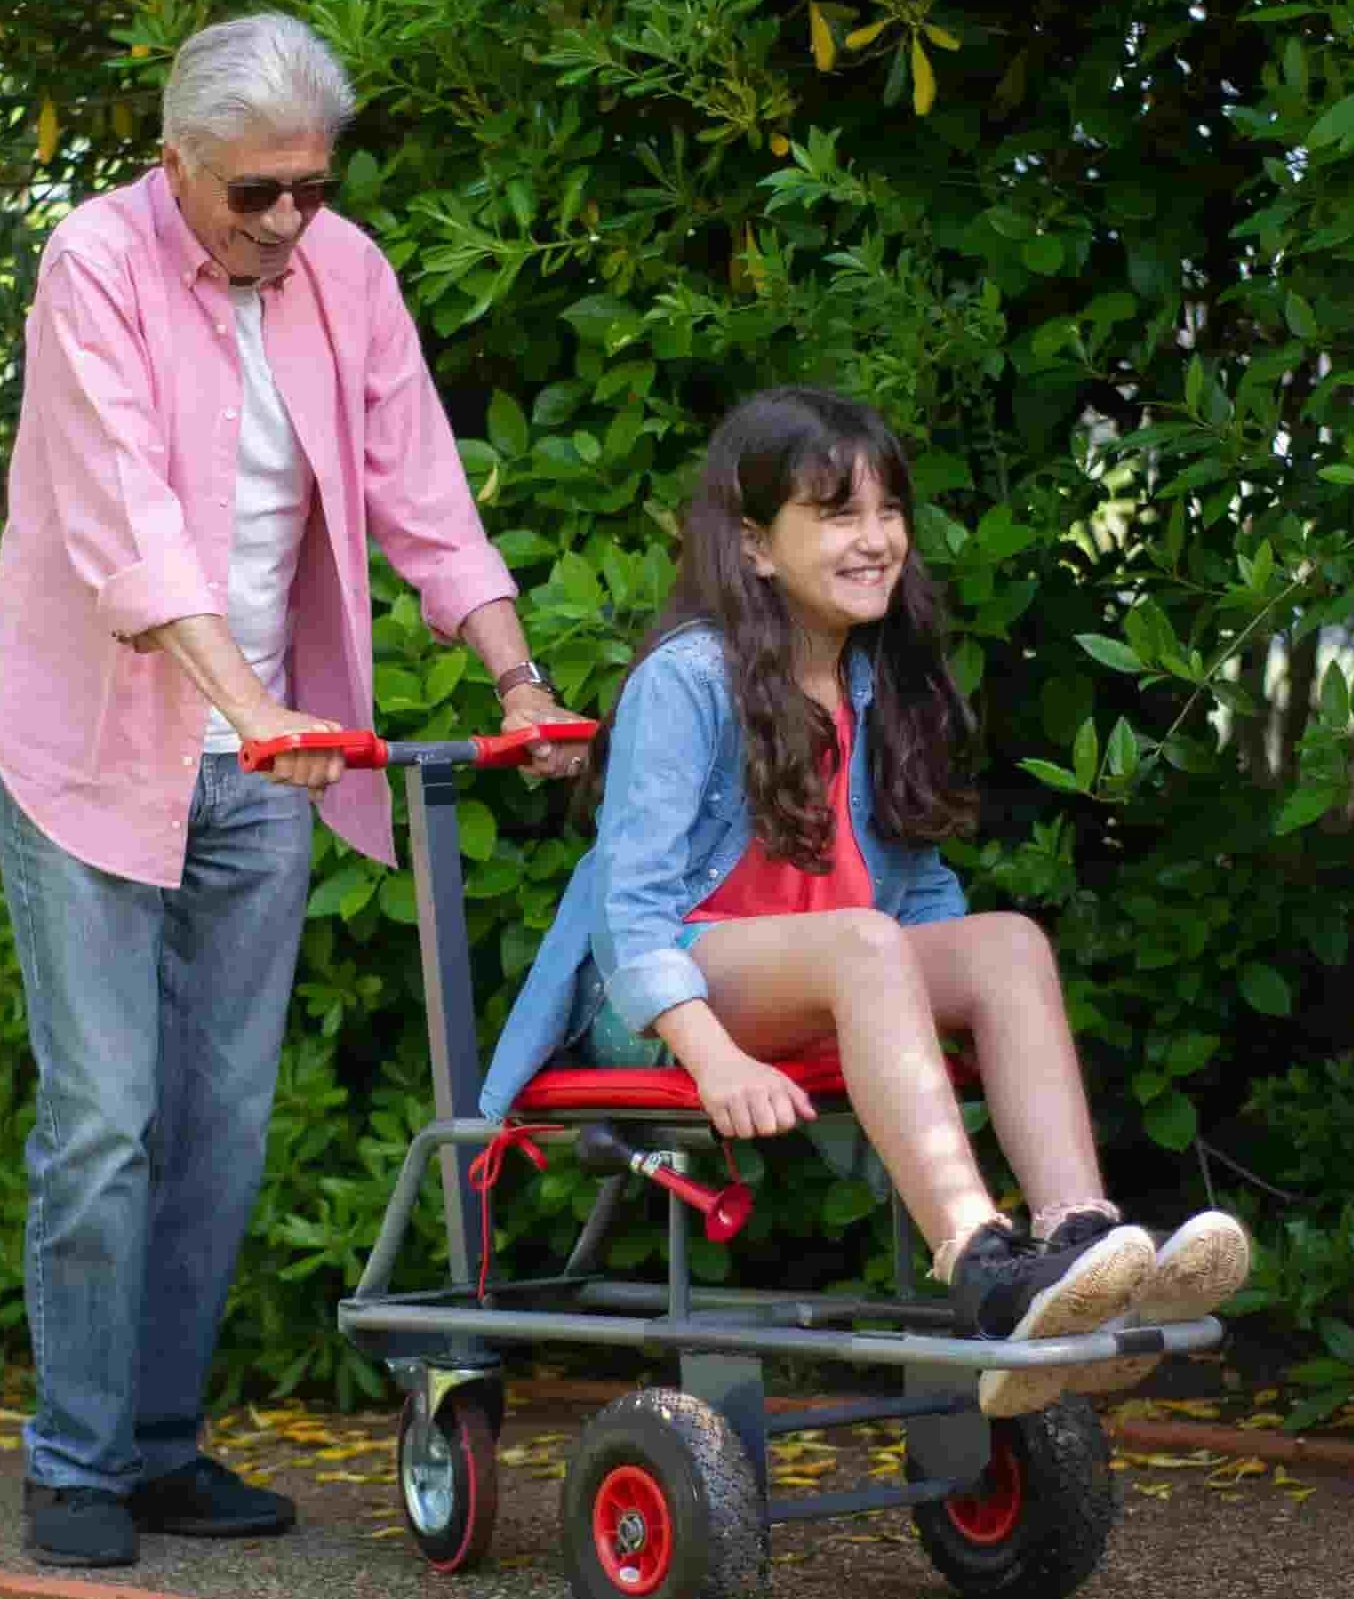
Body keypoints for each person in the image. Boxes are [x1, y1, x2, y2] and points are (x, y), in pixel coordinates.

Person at [0, 11, 579, 1567]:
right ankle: (79, 1461)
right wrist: (250, 710)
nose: (287, 220)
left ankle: (162, 1446)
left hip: (266, 752)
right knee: (107, 1115)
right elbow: (125, 524)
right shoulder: (92, 269)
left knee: (224, 1123)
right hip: (101, 749)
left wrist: (517, 675)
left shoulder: (345, 275)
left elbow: (420, 487)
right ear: (173, 162)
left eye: (310, 186)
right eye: (255, 193)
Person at [477, 385, 1247, 1393]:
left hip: (838, 978)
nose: (876, 537)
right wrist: (708, 1058)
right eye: (837, 512)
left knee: (1004, 939)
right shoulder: (687, 679)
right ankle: (979, 1263)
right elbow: (630, 914)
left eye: (888, 512)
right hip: (670, 1005)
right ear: (754, 544)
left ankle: (1076, 1243)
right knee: (863, 941)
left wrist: (968, 999)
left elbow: (916, 890)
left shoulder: (879, 679)